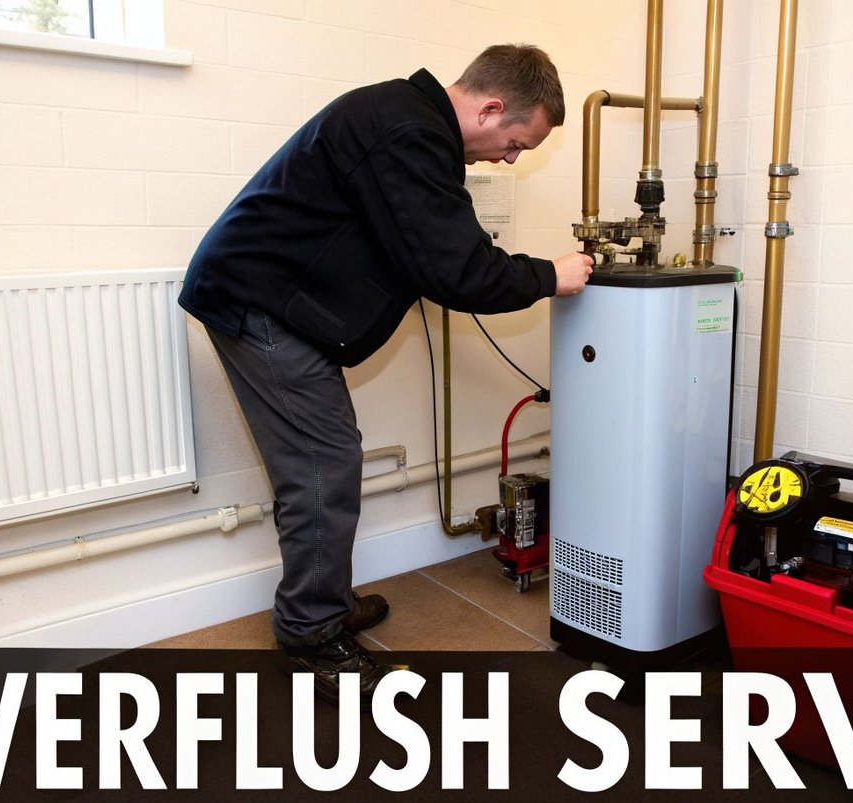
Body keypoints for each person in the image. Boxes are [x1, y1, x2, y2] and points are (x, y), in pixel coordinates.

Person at [179, 43, 593, 701]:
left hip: (277, 301)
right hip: (259, 305)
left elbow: (439, 243)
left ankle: (324, 606)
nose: (511, 158)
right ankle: (312, 638)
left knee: (325, 461)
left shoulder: (410, 123)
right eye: (517, 141)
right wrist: (551, 276)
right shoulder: (407, 132)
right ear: (491, 108)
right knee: (323, 465)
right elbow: (457, 270)